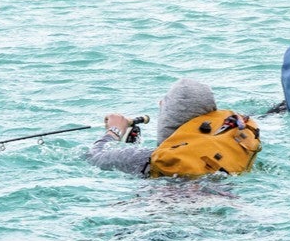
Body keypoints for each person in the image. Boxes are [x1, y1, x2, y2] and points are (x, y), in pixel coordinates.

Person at [86, 76, 261, 178]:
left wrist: (114, 130)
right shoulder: (225, 147)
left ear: (167, 117)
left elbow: (94, 155)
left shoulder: (144, 158)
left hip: (166, 207)